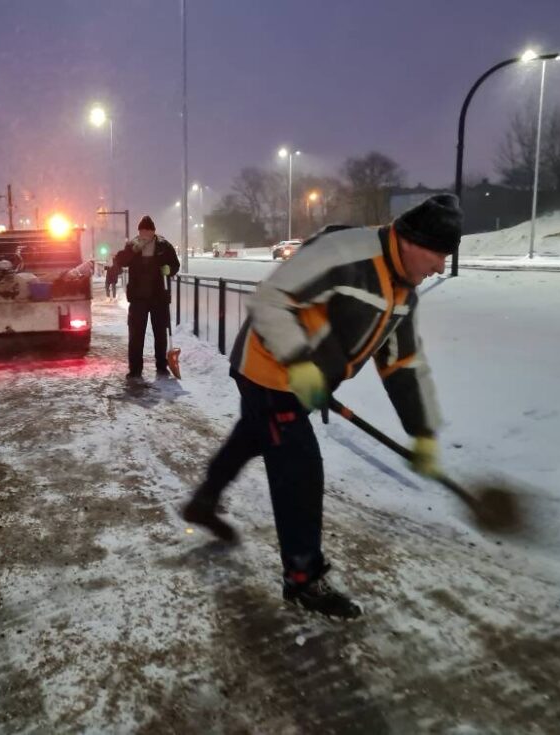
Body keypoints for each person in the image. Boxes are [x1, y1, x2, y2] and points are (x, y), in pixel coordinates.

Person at [181, 194, 463, 619]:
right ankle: (303, 578)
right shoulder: (347, 254)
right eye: (438, 253)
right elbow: (271, 299)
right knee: (299, 467)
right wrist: (299, 362)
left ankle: (204, 501)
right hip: (269, 369)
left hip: (304, 381)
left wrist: (421, 431)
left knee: (254, 436)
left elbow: (401, 364)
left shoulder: (404, 294)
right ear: (410, 240)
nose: (441, 266)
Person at [113, 215, 180, 379]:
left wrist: (169, 270)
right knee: (136, 334)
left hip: (158, 297)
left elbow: (175, 264)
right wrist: (133, 250)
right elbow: (120, 261)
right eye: (142, 232)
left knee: (160, 333)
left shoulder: (163, 246)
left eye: (148, 232)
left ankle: (161, 365)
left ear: (153, 232)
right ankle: (135, 368)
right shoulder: (133, 246)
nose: (145, 235)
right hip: (138, 299)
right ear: (139, 232)